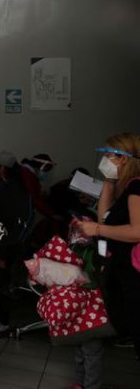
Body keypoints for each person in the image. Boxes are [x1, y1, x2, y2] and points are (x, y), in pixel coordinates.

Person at [77, 134, 140, 363]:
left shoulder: (136, 187)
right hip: (124, 272)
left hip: (135, 274)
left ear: (123, 159)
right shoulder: (125, 187)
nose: (104, 159)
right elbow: (104, 218)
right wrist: (108, 182)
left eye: (108, 154)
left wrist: (98, 230)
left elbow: (137, 231)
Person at [0, 150, 30, 339]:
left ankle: (1, 324)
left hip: (5, 246)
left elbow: (6, 222)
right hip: (6, 245)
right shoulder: (11, 185)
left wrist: (1, 253)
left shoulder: (8, 190)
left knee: (0, 285)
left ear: (2, 168)